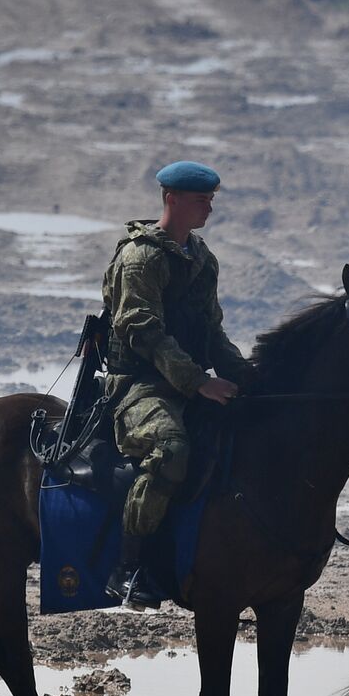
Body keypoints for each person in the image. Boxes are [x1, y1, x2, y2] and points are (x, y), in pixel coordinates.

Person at [100, 160, 255, 610]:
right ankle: (128, 570)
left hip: (186, 381)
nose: (209, 207)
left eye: (210, 200)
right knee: (170, 451)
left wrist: (247, 377)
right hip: (138, 386)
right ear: (171, 199)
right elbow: (143, 331)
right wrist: (198, 383)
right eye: (200, 199)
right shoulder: (140, 258)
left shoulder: (203, 260)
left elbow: (212, 333)